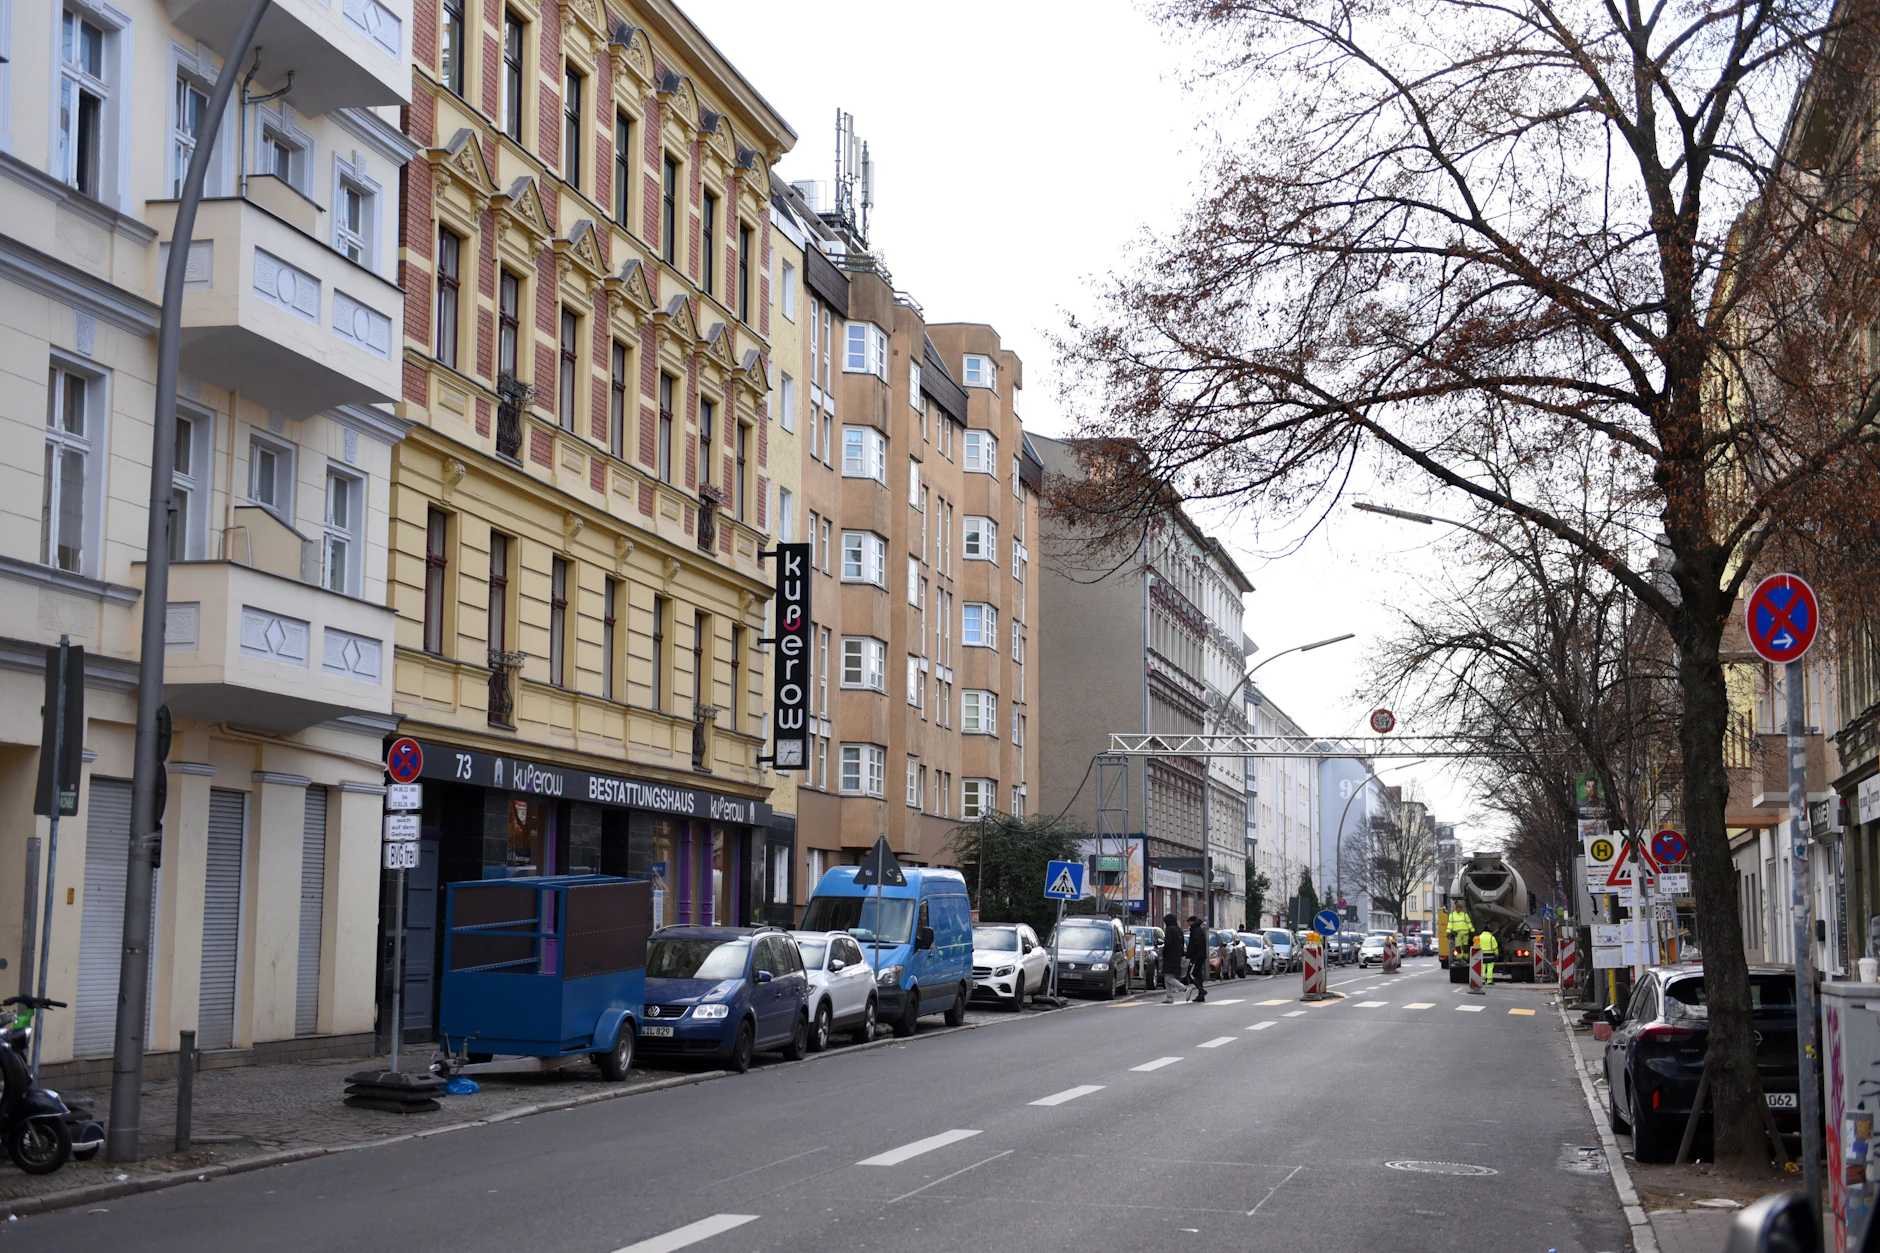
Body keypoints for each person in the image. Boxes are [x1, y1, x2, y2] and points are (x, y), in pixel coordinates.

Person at [1160, 914, 1191, 1003]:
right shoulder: (1179, 930)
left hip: (1170, 956)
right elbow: (1182, 943)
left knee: (1168, 977)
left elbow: (1168, 943)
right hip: (1177, 956)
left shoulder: (1169, 930)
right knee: (1168, 976)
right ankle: (1169, 996)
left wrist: (1164, 951)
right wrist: (1181, 954)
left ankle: (1185, 989)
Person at [1186, 916, 1210, 1003]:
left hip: (1196, 957)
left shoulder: (1195, 931)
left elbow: (1194, 945)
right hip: (1200, 956)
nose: (1188, 924)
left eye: (1189, 922)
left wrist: (1189, 954)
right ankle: (1201, 995)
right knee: (1198, 974)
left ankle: (1201, 990)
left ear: (1192, 922)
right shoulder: (1199, 930)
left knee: (1191, 974)